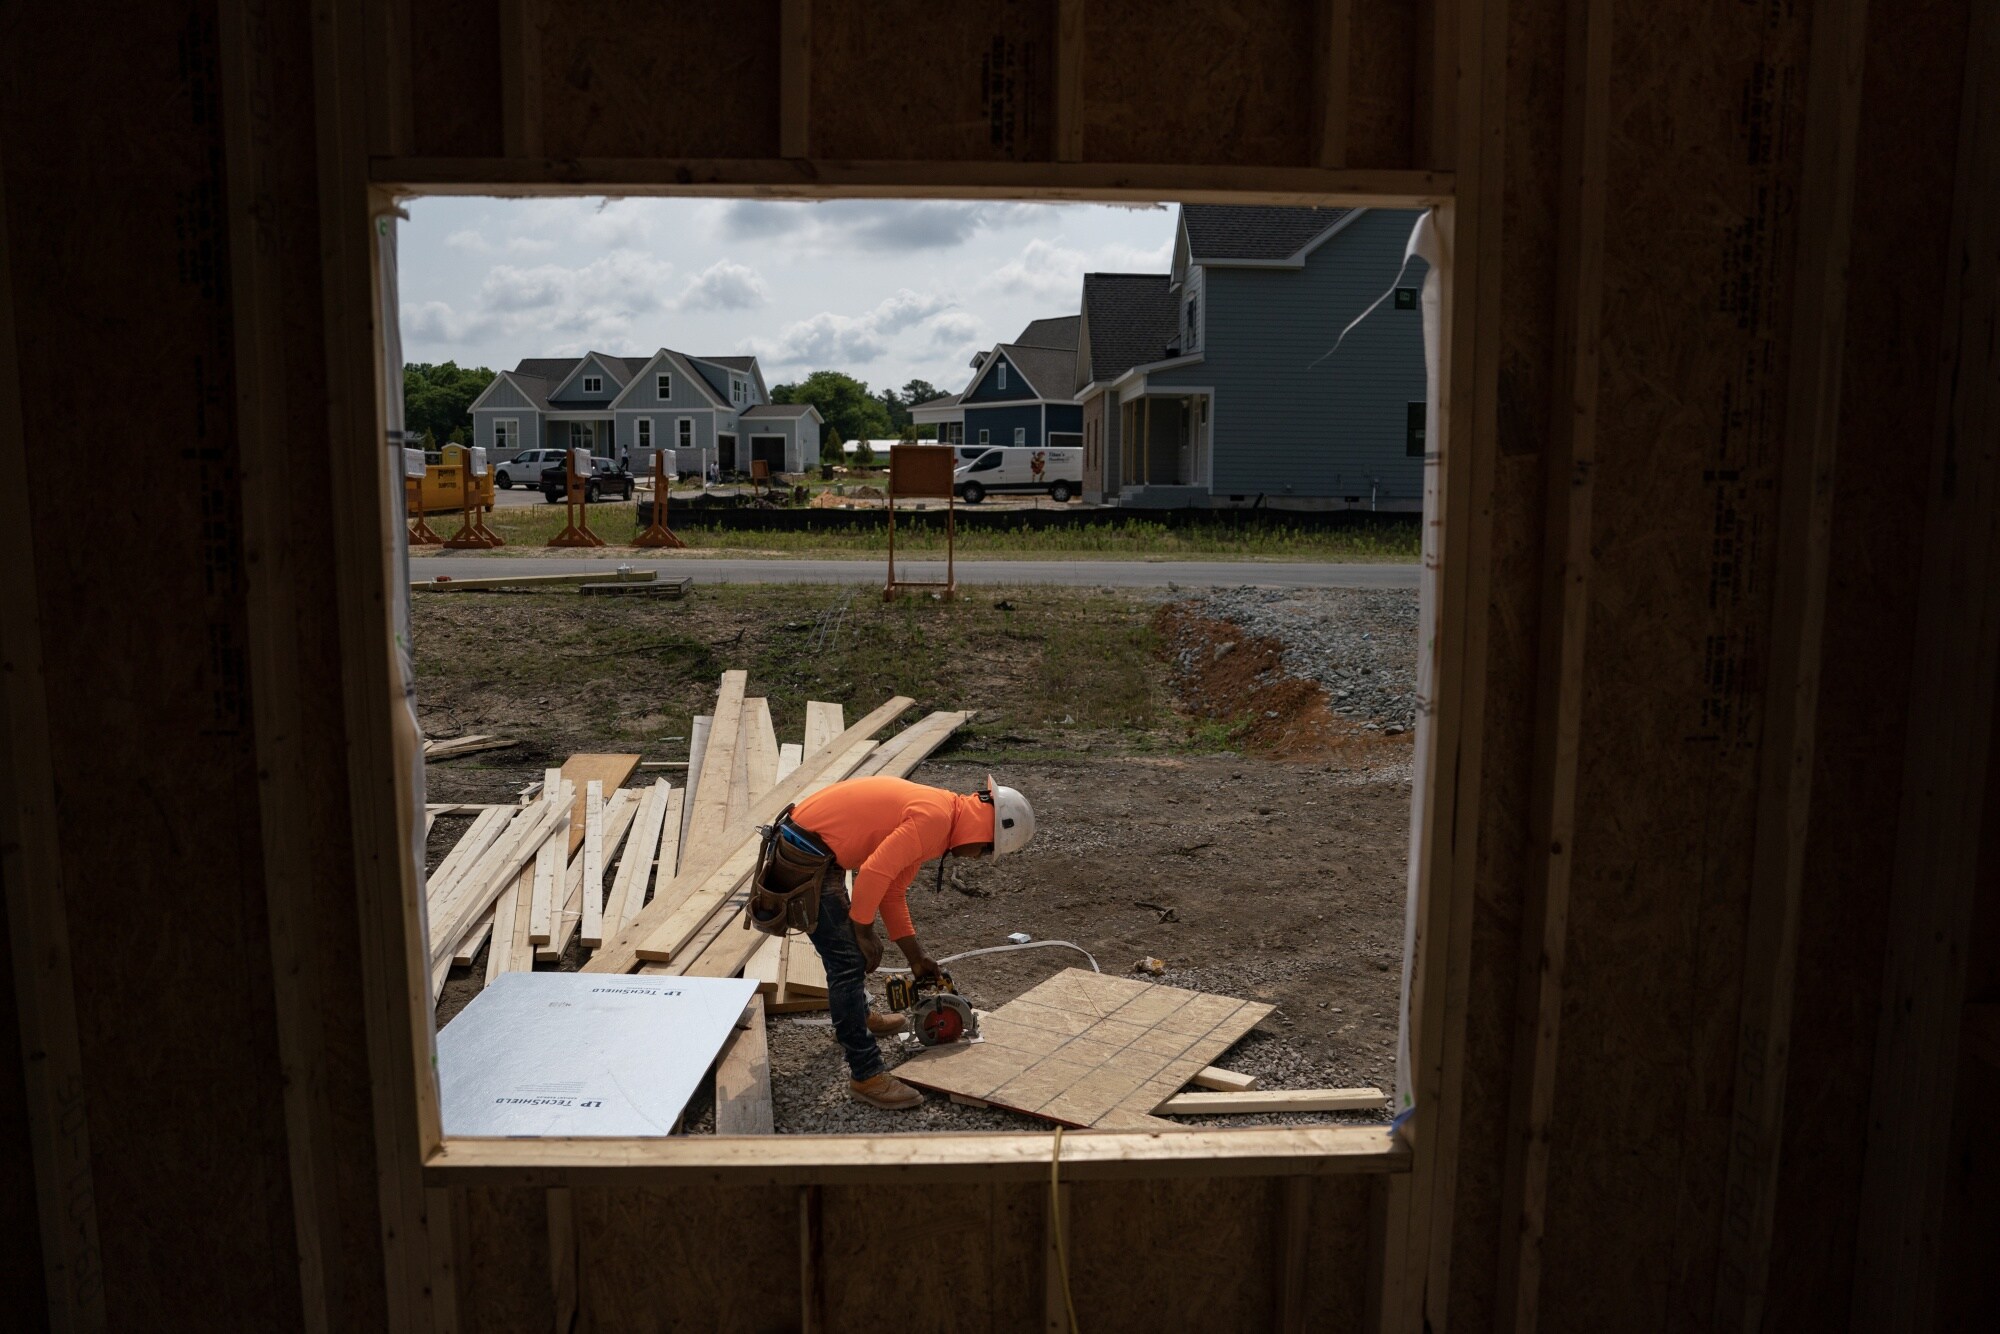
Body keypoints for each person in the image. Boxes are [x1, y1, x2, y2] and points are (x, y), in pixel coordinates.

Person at [778, 774, 1036, 1108]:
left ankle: (857, 1013)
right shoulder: (935, 819)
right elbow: (872, 873)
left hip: (813, 846)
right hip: (804, 851)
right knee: (848, 961)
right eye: (986, 852)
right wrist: (864, 931)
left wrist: (916, 956)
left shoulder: (942, 817)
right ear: (984, 833)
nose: (976, 859)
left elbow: (893, 889)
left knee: (848, 953)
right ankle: (866, 1075)